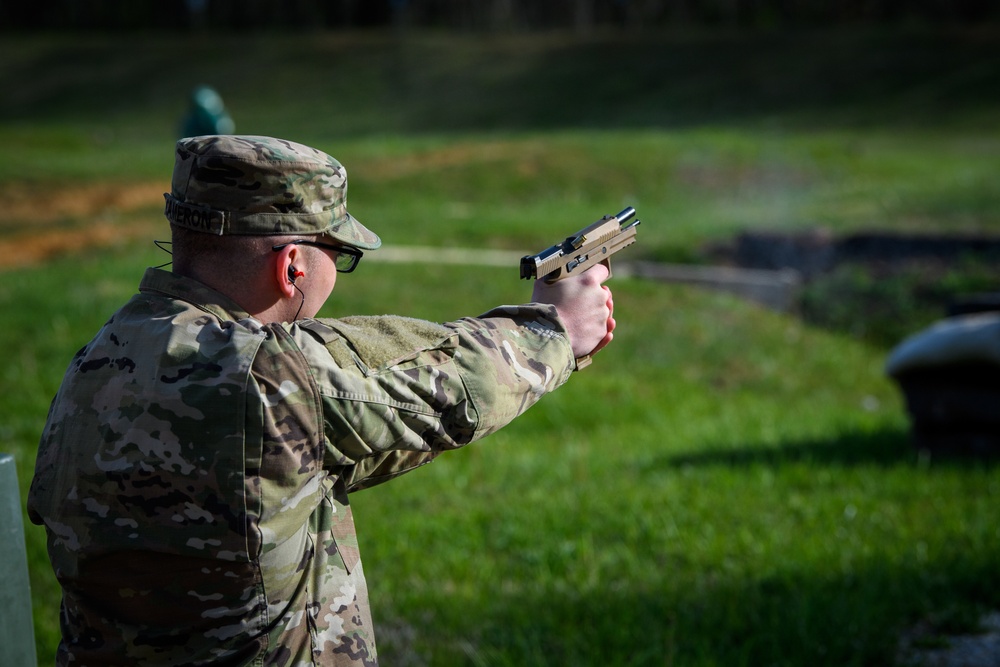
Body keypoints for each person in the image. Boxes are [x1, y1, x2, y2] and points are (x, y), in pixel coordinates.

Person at [28, 135, 615, 666]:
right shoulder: (270, 378)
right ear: (292, 267)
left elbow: (321, 452)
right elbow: (457, 389)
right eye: (340, 255)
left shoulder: (99, 356)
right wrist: (555, 327)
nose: (340, 272)